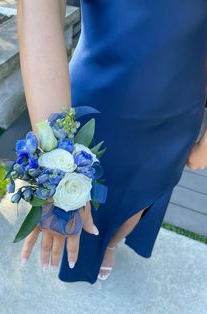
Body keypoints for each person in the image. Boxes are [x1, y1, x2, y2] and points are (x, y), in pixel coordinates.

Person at [16, 0, 207, 283]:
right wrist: (57, 164)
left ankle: (112, 243)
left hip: (180, 112)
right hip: (102, 105)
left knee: (143, 200)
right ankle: (96, 248)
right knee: (90, 203)